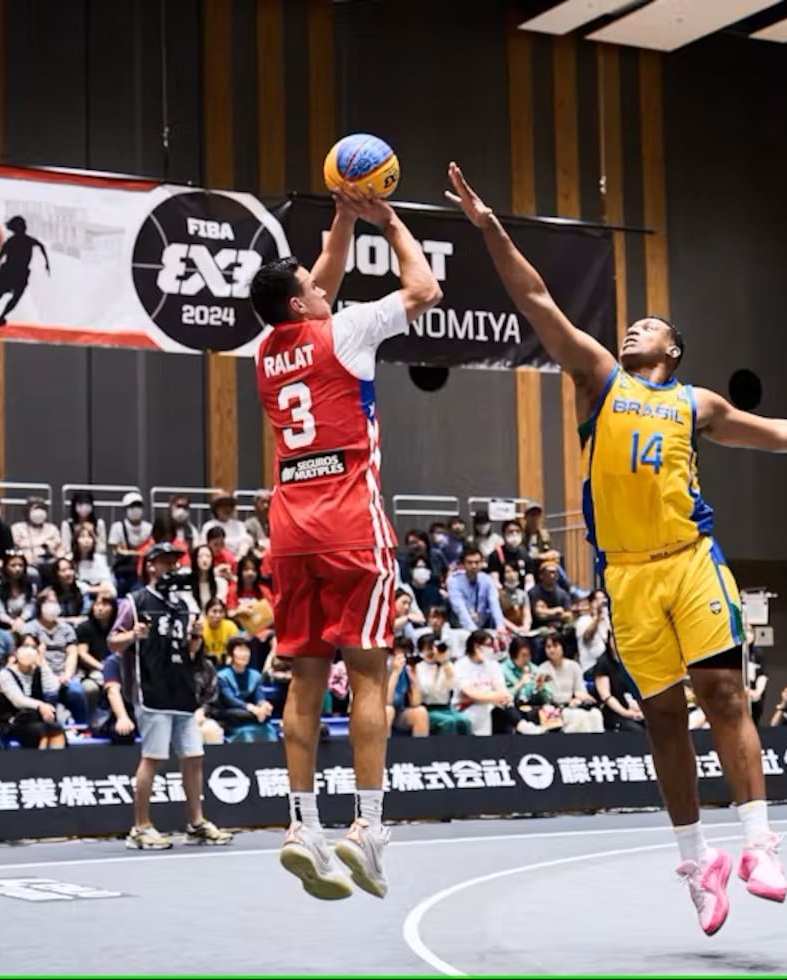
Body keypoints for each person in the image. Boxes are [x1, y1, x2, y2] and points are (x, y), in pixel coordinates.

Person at [446, 162, 787, 932]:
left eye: (651, 326)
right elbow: (536, 300)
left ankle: (761, 843)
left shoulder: (694, 402)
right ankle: (700, 865)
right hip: (626, 577)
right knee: (663, 719)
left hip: (690, 558)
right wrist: (489, 226)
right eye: (633, 323)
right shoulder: (599, 377)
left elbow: (774, 436)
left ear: (675, 349)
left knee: (726, 695)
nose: (636, 327)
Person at [250, 185, 442, 900]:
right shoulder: (350, 330)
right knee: (369, 674)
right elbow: (425, 288)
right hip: (350, 527)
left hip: (289, 531)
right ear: (302, 303)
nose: (319, 280)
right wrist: (388, 220)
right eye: (308, 282)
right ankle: (366, 827)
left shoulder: (268, 351)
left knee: (303, 680)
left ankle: (300, 825)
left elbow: (319, 279)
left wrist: (339, 217)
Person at [108, 542, 232, 850]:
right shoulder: (135, 601)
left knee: (194, 756)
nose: (171, 567)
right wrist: (132, 635)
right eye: (165, 562)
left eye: (175, 562)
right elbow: (112, 643)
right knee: (153, 758)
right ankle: (140, 828)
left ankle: (196, 823)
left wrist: (196, 637)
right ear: (151, 565)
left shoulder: (184, 603)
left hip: (181, 689)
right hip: (151, 690)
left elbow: (189, 652)